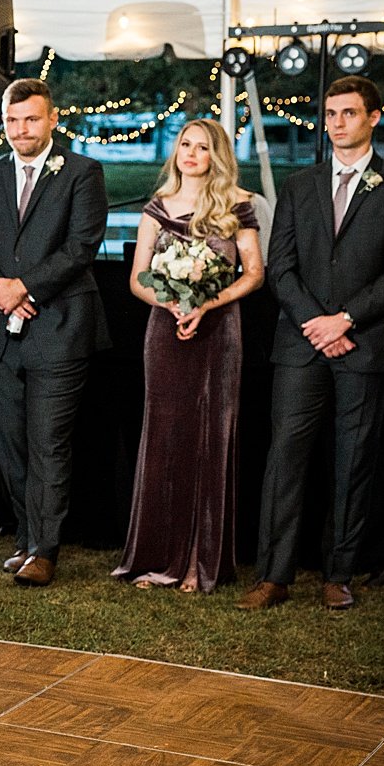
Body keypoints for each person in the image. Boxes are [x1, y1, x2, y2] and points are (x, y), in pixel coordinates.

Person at [238, 75, 384, 612]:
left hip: (367, 343)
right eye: (331, 113)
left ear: (374, 117)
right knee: (285, 456)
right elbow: (281, 267)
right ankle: (274, 575)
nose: (337, 123)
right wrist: (317, 321)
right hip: (300, 342)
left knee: (354, 459)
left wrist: (346, 320)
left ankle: (339, 573)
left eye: (349, 113)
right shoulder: (298, 185)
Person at [0, 78, 110, 588]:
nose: (22, 129)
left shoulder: (83, 173)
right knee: (12, 444)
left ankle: (46, 548)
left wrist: (26, 286)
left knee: (49, 443)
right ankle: (25, 538)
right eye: (12, 120)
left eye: (31, 119)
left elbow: (82, 245)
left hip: (59, 329)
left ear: (50, 120)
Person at [113, 120, 264, 593]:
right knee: (164, 436)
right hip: (165, 332)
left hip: (219, 332)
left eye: (202, 147)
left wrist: (207, 304)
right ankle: (156, 555)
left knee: (210, 437)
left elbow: (254, 273)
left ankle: (202, 561)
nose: (191, 153)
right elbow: (138, 278)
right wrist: (171, 302)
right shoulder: (157, 208)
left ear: (216, 155)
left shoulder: (238, 204)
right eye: (185, 144)